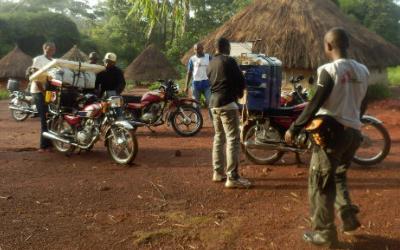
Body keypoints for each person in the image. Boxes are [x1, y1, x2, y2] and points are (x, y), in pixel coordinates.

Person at [284, 27, 369, 247]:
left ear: (328, 46)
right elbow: (363, 104)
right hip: (353, 134)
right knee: (338, 175)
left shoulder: (329, 70)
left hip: (331, 136)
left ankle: (324, 233)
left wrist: (294, 128)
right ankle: (347, 214)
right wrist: (353, 122)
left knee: (319, 184)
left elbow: (315, 103)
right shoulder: (363, 71)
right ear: (347, 45)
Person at [206, 37, 251, 189]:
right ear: (226, 47)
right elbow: (241, 82)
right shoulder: (229, 61)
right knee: (233, 139)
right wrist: (239, 94)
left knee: (219, 137)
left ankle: (217, 172)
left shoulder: (210, 63)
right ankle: (232, 177)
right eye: (229, 47)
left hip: (213, 104)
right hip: (227, 104)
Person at [30, 42, 56, 152]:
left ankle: (49, 143)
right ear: (44, 48)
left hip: (48, 92)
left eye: (52, 49)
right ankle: (43, 146)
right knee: (45, 118)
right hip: (38, 92)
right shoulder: (38, 59)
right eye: (48, 49)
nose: (50, 51)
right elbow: (35, 77)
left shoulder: (54, 62)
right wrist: (43, 91)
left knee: (51, 117)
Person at [185, 43, 212, 120]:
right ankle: (198, 122)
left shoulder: (208, 57)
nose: (197, 50)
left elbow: (214, 68)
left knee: (210, 102)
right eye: (196, 49)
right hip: (196, 85)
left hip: (207, 84)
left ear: (202, 48)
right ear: (194, 50)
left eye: (199, 49)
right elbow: (189, 72)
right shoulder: (192, 59)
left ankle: (213, 121)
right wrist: (186, 86)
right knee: (195, 105)